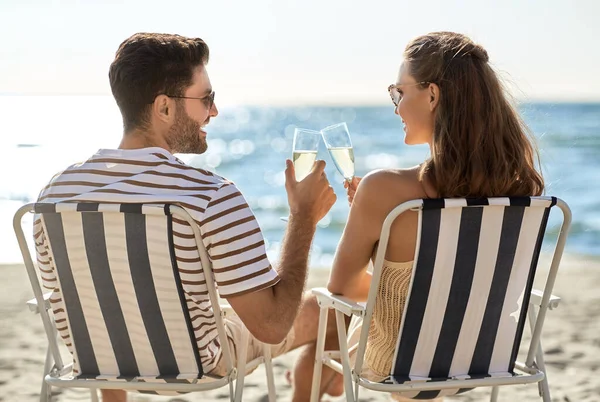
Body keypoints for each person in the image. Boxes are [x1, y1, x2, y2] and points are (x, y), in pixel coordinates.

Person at [33, 33, 341, 402]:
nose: (214, 111)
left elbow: (72, 298)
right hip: (197, 362)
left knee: (111, 303)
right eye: (206, 98)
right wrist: (303, 219)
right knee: (330, 313)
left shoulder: (57, 193)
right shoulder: (209, 196)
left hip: (98, 358)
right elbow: (272, 326)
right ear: (164, 107)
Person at [290, 31, 545, 401]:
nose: (395, 106)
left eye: (399, 92)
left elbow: (342, 289)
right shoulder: (522, 189)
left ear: (432, 95)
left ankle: (279, 367)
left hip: (401, 364)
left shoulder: (384, 190)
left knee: (321, 331)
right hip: (483, 358)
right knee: (335, 329)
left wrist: (368, 214)